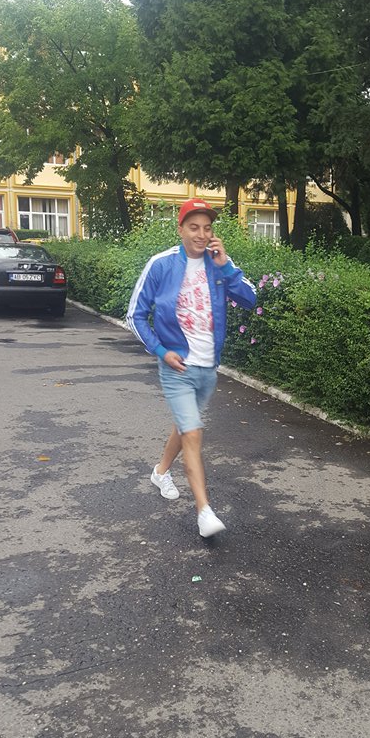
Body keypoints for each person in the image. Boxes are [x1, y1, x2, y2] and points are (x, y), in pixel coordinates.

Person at [127, 199, 256, 537]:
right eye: (194, 227)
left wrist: (226, 268)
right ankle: (204, 512)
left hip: (208, 369)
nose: (201, 234)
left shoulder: (219, 263)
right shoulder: (161, 264)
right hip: (177, 367)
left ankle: (160, 471)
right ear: (180, 229)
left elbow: (250, 299)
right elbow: (135, 315)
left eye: (207, 228)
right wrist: (160, 351)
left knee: (187, 427)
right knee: (194, 433)